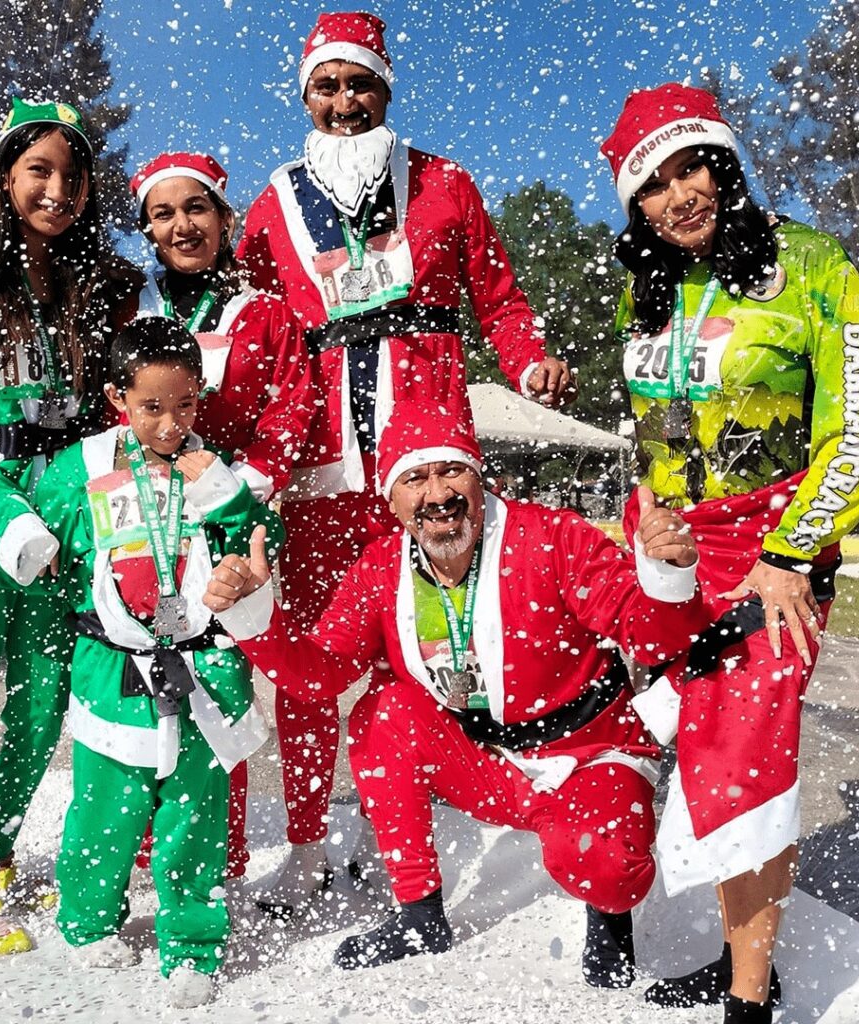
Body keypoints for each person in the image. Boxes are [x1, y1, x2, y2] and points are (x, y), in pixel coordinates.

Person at [235, 10, 576, 909]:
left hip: (422, 464)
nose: (344, 103)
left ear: (386, 88)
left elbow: (499, 298)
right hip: (317, 468)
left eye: (361, 85)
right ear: (304, 95)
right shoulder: (271, 202)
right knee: (309, 662)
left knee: (420, 656)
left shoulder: (445, 183)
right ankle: (307, 846)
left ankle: (421, 845)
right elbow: (247, 329)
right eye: (327, 87)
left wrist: (528, 355)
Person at [204, 398, 713, 981]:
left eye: (451, 471)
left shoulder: (553, 536)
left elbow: (649, 636)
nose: (436, 494)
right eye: (415, 478)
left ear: (480, 476)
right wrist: (256, 618)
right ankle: (419, 914)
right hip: (485, 762)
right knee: (382, 712)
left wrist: (667, 579)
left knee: (606, 864)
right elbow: (321, 677)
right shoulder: (379, 567)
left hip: (589, 751)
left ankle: (610, 920)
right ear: (391, 502)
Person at [599, 83, 859, 1024]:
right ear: (634, 201)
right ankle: (671, 938)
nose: (680, 195)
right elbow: (648, 434)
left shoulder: (811, 261)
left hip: (779, 557)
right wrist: (647, 525)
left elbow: (856, 428)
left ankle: (751, 1003)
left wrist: (792, 552)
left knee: (744, 756)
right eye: (655, 183)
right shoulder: (643, 289)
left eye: (694, 168)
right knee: (644, 732)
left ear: (723, 162)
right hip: (678, 561)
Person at [0, 97, 137, 955]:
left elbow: (108, 418)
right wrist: (3, 509)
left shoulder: (89, 287)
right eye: (38, 170)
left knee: (43, 708)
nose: (57, 189)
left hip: (63, 531)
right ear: (5, 176)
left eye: (72, 175)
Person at [34, 318, 284, 1008]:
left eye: (186, 405)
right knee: (104, 809)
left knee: (194, 817)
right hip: (113, 670)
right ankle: (86, 923)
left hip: (203, 668)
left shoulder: (218, 466)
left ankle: (192, 943)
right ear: (118, 397)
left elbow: (263, 540)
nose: (172, 423)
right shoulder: (80, 470)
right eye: (152, 407)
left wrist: (230, 502)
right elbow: (42, 548)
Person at [127, 151, 314, 878]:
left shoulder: (262, 313)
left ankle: (214, 848)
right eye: (164, 213)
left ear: (225, 218)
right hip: (143, 525)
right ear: (147, 228)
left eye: (196, 208)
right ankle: (144, 842)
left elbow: (292, 409)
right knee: (146, 669)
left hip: (225, 525)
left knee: (216, 678)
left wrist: (234, 491)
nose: (182, 225)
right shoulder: (136, 312)